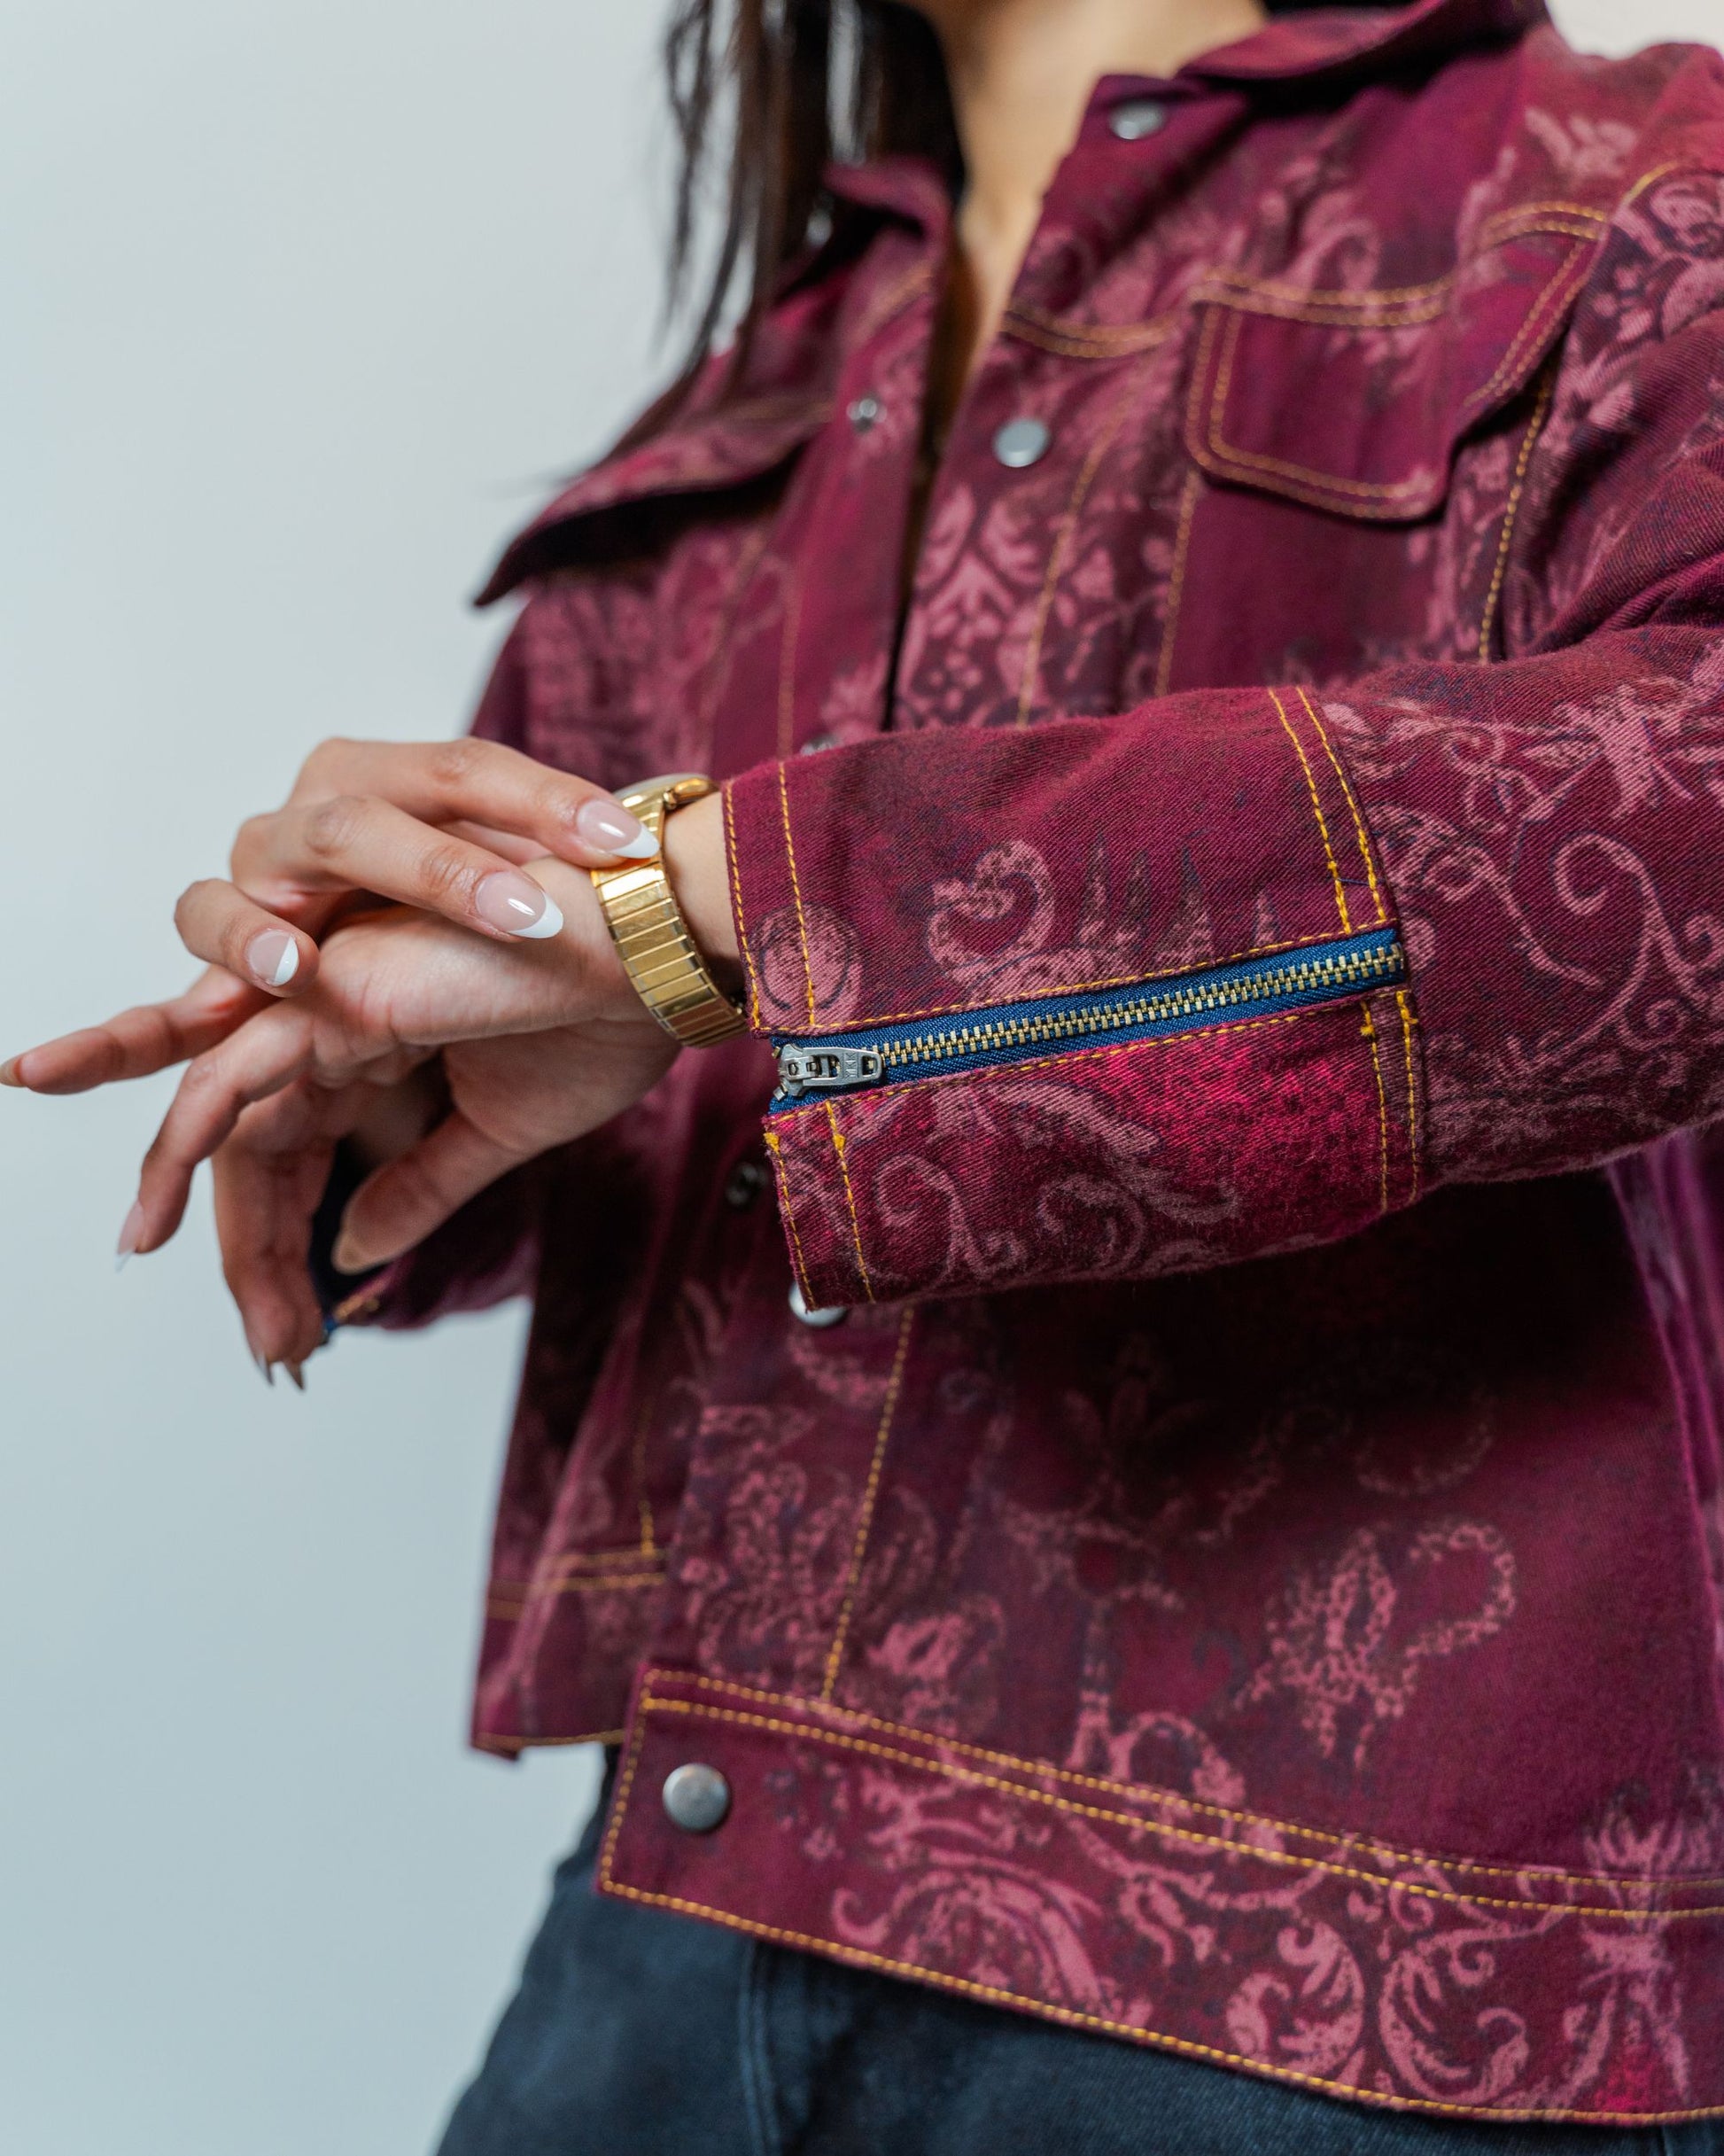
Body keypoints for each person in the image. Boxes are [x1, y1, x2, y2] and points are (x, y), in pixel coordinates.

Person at [12, 0, 1724, 2144]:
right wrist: (378, 1059)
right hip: (672, 1910)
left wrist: (729, 894)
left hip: (1357, 1978)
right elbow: (644, 1079)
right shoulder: (755, 400)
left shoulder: (1632, 191)